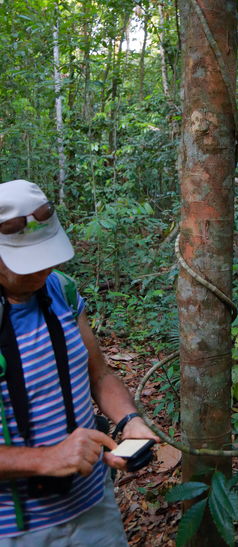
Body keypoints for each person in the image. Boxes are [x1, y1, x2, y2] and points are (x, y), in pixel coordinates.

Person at [0, 179, 159, 545]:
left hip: (92, 506)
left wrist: (129, 420)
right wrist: (45, 459)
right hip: (16, 530)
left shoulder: (60, 290)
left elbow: (98, 373)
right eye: (27, 262)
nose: (41, 270)